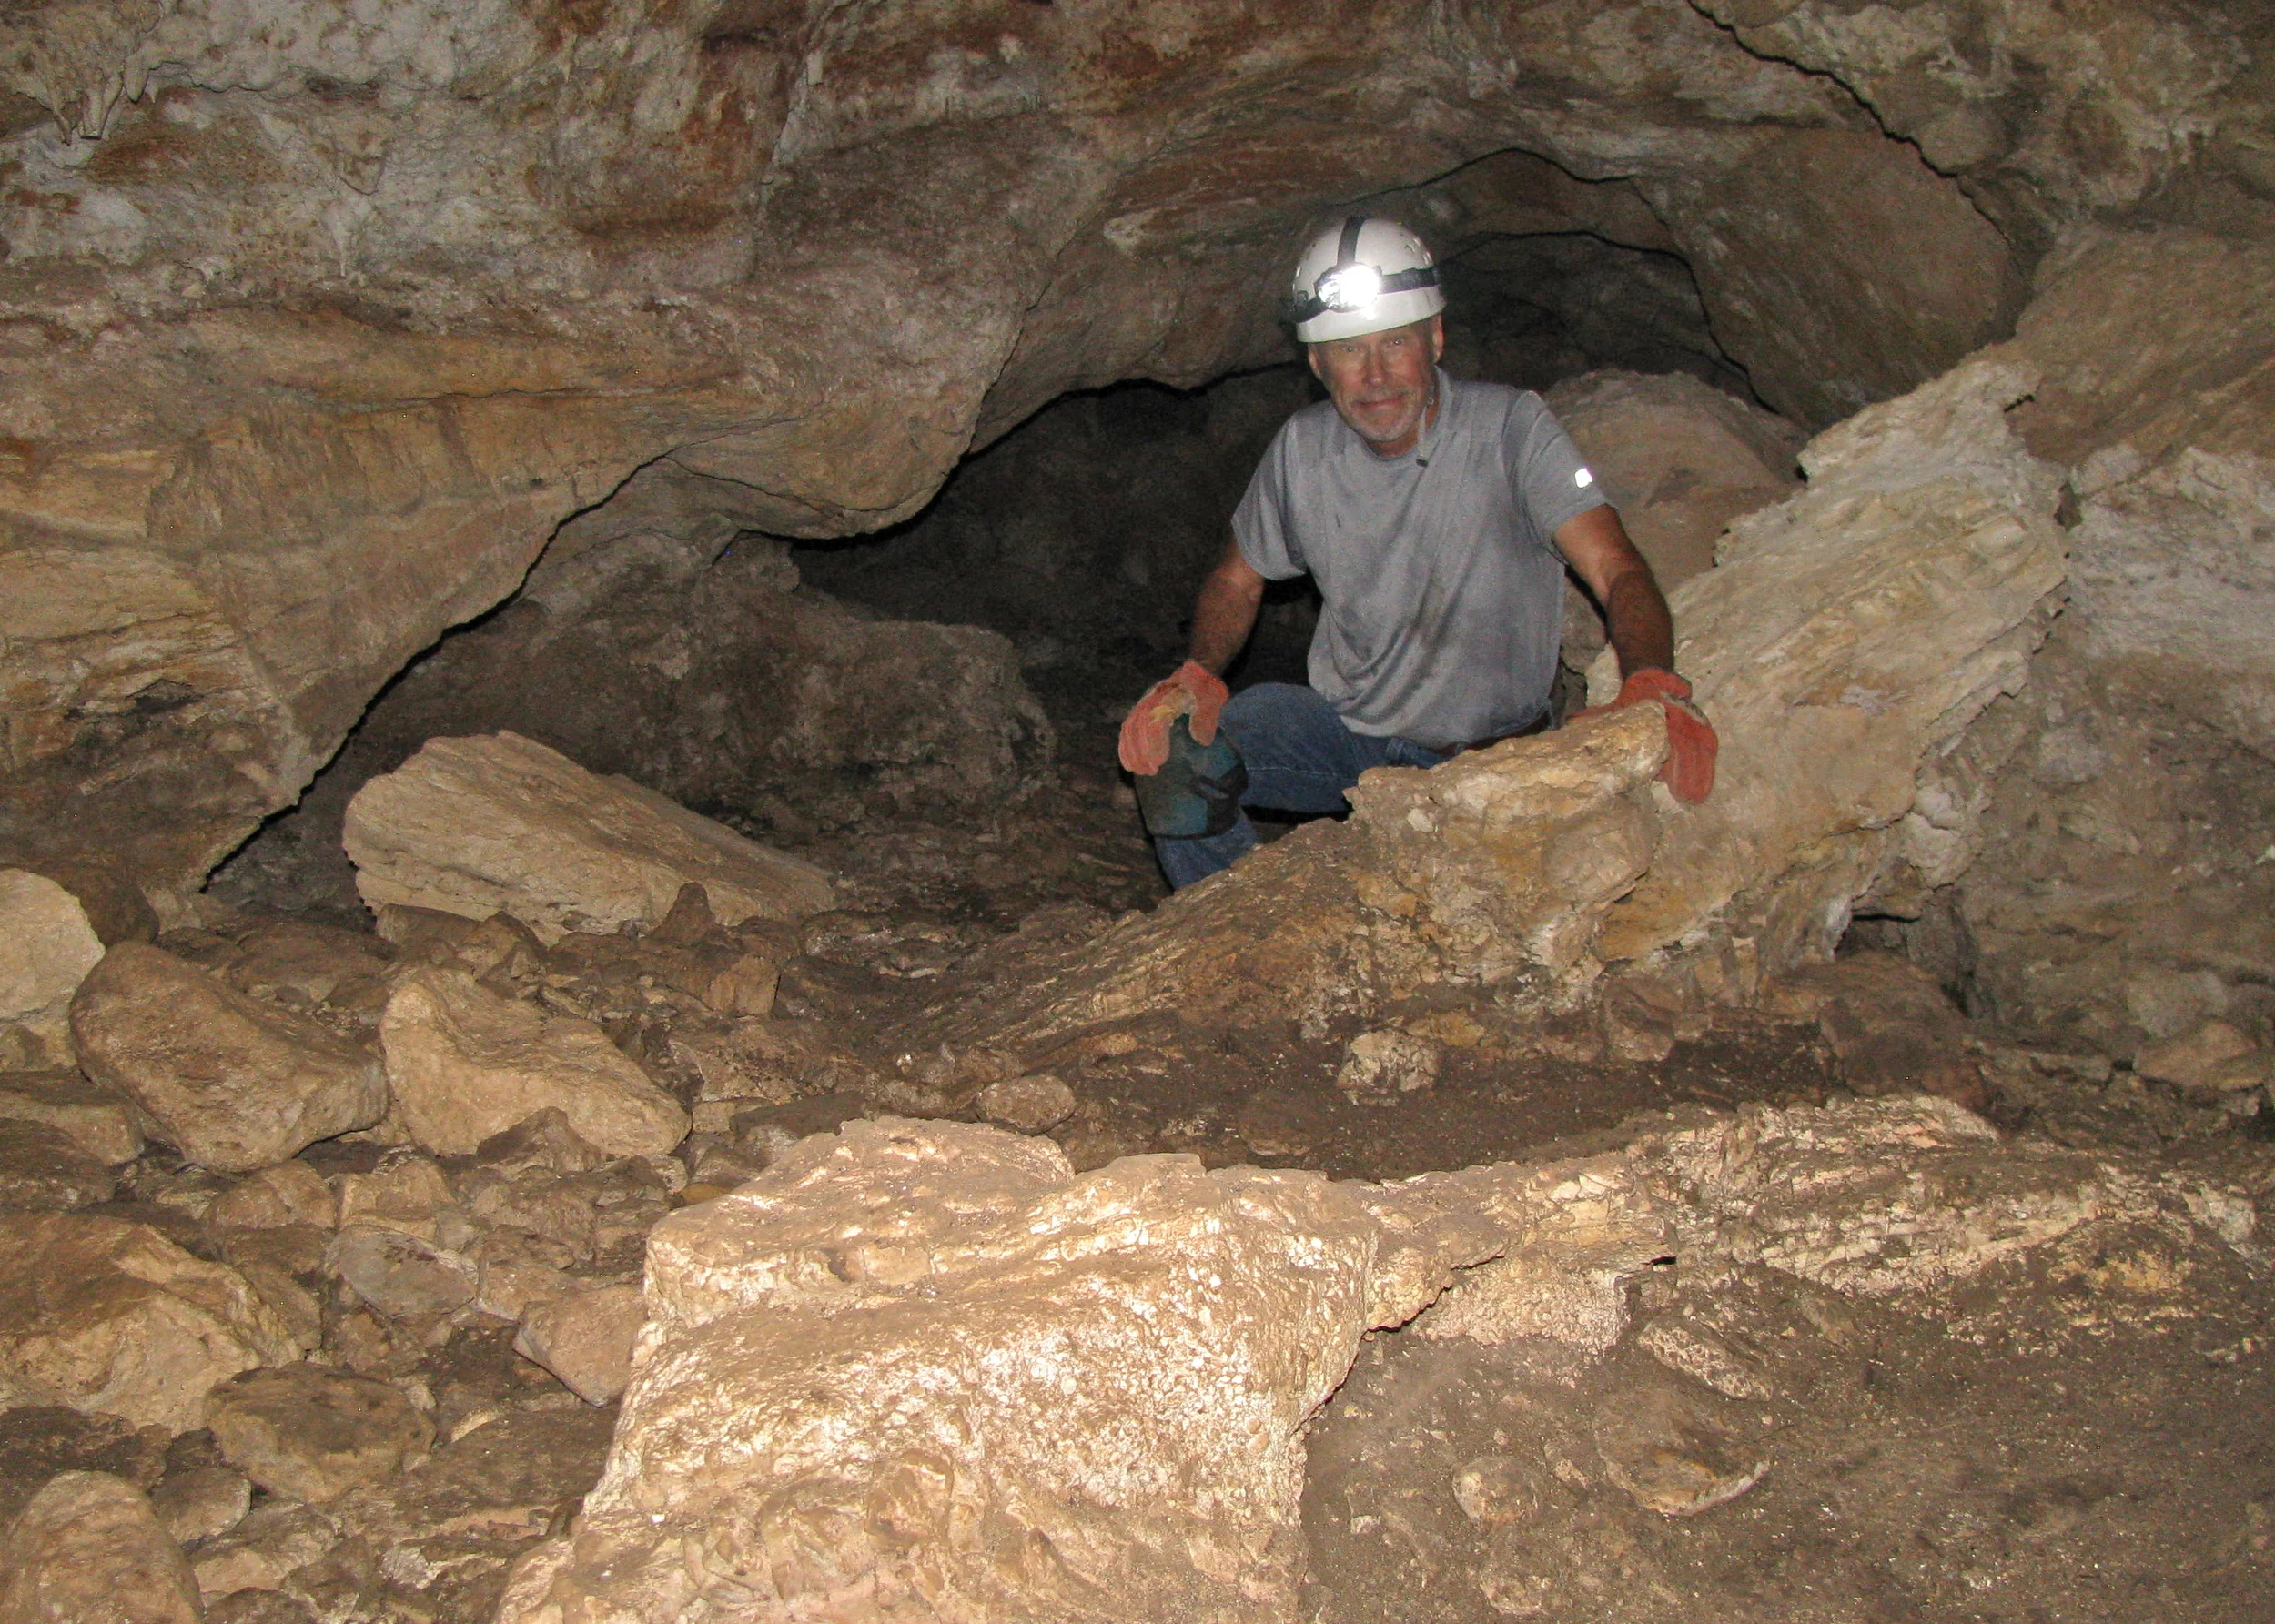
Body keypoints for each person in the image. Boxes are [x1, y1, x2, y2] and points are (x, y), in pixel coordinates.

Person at [1117, 216, 1717, 890]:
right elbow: (1236, 580)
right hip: (1349, 736)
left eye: (1395, 342)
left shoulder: (1509, 430)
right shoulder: (1302, 450)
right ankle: (1232, 920)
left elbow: (1616, 568)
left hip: (1491, 758)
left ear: (1435, 338)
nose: (1375, 375)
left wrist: (1649, 680)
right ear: (1317, 364)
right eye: (1348, 349)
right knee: (1176, 754)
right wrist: (1198, 671)